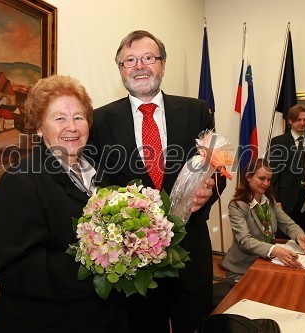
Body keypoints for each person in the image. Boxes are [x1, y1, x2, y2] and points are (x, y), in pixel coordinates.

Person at [86, 30, 225, 333]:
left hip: (191, 255)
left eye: (148, 58)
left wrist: (209, 189)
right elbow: (95, 186)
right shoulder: (99, 121)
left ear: (162, 64)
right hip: (135, 265)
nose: (139, 66)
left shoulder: (197, 111)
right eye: (130, 60)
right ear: (120, 69)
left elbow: (217, 169)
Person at [0, 75, 129, 333]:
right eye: (59, 118)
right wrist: (99, 263)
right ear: (39, 127)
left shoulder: (99, 173)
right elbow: (12, 268)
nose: (71, 127)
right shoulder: (21, 181)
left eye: (78, 117)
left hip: (102, 319)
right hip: (50, 323)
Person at [220, 158, 305, 282]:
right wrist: (274, 250)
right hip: (242, 270)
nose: (266, 183)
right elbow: (244, 240)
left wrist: (299, 236)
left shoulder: (270, 202)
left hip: (266, 263)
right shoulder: (237, 205)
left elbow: (288, 224)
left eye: (269, 180)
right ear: (248, 177)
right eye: (262, 178)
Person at [268, 104, 305, 236]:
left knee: (304, 237)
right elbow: (274, 174)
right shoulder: (279, 142)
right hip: (286, 201)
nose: (302, 123)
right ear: (290, 121)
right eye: (298, 120)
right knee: (284, 240)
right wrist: (276, 200)